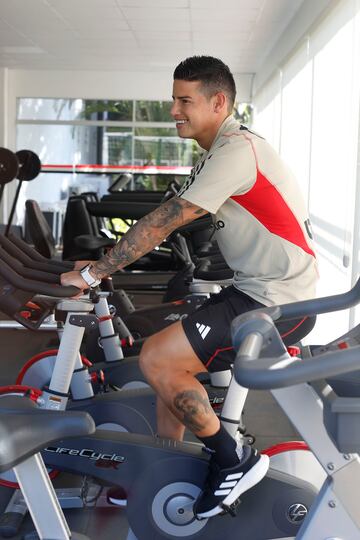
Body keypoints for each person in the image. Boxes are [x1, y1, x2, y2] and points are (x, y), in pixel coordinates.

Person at [61, 55, 318, 519]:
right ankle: (168, 468)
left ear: (218, 102)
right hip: (256, 289)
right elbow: (174, 215)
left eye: (185, 101)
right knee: (165, 366)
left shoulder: (238, 150)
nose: (174, 111)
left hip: (279, 301)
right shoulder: (219, 152)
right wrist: (105, 259)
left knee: (159, 358)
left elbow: (168, 219)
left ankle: (233, 459)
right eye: (173, 100)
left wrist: (94, 273)